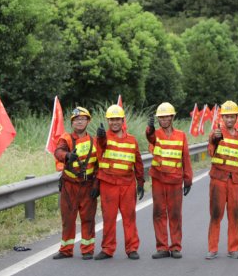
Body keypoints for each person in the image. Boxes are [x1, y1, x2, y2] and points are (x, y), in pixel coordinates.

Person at [94, 104, 145, 260]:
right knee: (109, 218)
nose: (114, 122)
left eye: (117, 119)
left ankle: (132, 248)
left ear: (123, 120)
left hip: (127, 184)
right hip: (108, 183)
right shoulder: (103, 138)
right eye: (111, 120)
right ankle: (108, 249)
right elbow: (101, 146)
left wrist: (141, 182)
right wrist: (101, 137)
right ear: (108, 121)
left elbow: (138, 162)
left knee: (129, 217)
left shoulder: (132, 140)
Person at [206, 101, 238, 260]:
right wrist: (215, 139)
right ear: (222, 117)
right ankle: (212, 249)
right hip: (218, 179)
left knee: (235, 215)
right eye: (227, 117)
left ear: (236, 117)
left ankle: (233, 249)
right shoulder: (216, 133)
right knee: (215, 214)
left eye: (232, 116)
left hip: (236, 182)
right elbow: (211, 149)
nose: (230, 119)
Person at [146, 102, 192, 260]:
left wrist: (188, 179)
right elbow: (150, 137)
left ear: (172, 117)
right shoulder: (155, 134)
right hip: (158, 178)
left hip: (175, 180)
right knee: (158, 213)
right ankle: (162, 248)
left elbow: (185, 157)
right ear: (158, 119)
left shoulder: (181, 135)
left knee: (175, 214)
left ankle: (176, 247)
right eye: (161, 117)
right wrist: (150, 129)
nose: (164, 120)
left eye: (167, 117)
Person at [52, 107, 99, 260]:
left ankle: (88, 250)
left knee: (89, 219)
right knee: (68, 219)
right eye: (76, 119)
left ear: (88, 121)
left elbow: (99, 165)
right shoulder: (65, 138)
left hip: (88, 186)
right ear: (72, 122)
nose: (80, 121)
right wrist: (67, 156)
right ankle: (66, 250)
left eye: (83, 119)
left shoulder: (94, 141)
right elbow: (58, 152)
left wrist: (96, 186)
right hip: (69, 185)